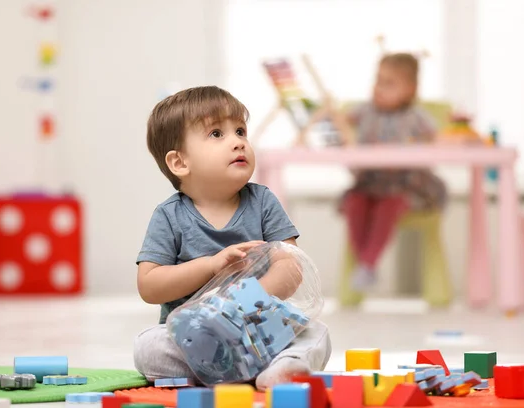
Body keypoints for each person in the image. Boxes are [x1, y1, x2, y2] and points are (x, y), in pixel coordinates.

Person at [133, 86, 331, 390]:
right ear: (180, 163)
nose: (238, 142)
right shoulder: (169, 216)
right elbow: (150, 286)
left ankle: (279, 369)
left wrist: (248, 302)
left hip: (263, 332)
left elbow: (290, 265)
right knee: (148, 346)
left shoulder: (263, 201)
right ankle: (217, 370)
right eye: (217, 134)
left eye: (240, 130)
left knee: (316, 334)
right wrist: (210, 266)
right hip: (197, 341)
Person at [339, 52, 447, 291]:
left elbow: (438, 140)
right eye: (378, 80)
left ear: (410, 89)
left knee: (389, 205)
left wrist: (421, 147)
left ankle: (367, 264)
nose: (379, 87)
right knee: (354, 202)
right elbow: (340, 121)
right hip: (370, 185)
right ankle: (365, 264)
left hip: (406, 187)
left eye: (389, 83)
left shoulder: (416, 117)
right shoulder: (364, 111)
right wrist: (334, 122)